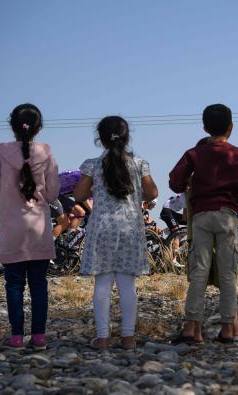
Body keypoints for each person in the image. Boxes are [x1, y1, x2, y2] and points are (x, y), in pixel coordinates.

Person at [169, 104, 238, 344]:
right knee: (228, 272)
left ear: (204, 127)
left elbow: (175, 182)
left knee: (199, 272)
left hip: (201, 216)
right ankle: (229, 329)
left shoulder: (194, 154)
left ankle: (192, 328)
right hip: (227, 215)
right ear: (231, 127)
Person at [74, 116, 158, 350]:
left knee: (102, 285)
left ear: (100, 139)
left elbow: (79, 195)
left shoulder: (92, 164)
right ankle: (128, 338)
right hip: (130, 229)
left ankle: (102, 339)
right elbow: (152, 192)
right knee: (127, 286)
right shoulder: (139, 163)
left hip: (102, 229)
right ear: (127, 136)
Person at [0, 103, 60, 350]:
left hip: (12, 230)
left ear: (12, 125)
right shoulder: (47, 155)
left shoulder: (0, 155)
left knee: (14, 285)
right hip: (39, 229)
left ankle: (17, 337)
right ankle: (39, 337)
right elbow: (52, 195)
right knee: (39, 284)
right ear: (39, 127)